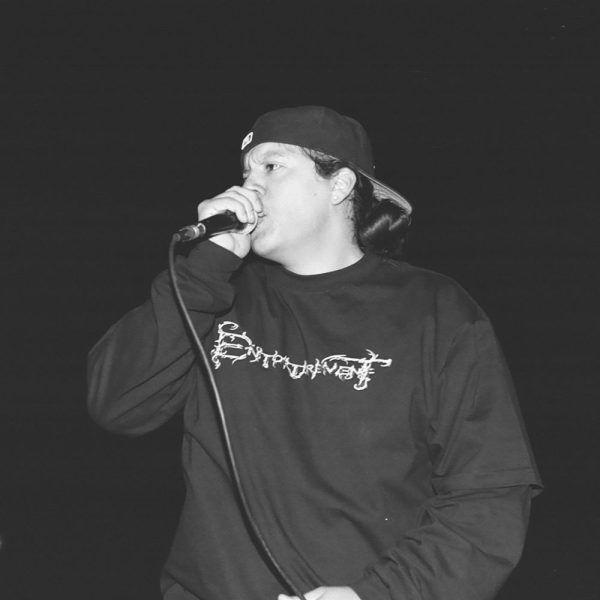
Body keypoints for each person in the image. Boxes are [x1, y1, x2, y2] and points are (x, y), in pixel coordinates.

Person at [87, 105, 542, 600]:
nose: (248, 186)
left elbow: (489, 493)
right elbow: (117, 404)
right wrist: (205, 269)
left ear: (340, 184)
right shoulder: (214, 295)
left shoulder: (435, 311)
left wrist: (378, 595)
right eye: (245, 172)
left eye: (271, 166)